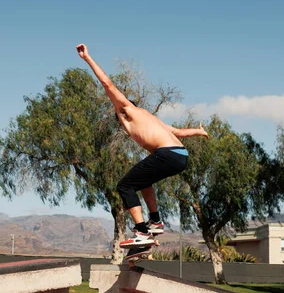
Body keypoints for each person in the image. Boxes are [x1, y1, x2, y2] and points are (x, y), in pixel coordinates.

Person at [76, 44, 209, 254]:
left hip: (168, 154)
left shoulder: (129, 109)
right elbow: (177, 132)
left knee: (125, 186)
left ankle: (142, 232)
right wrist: (199, 132)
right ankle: (155, 221)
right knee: (144, 181)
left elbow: (107, 84)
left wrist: (87, 58)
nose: (119, 120)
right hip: (180, 155)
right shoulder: (149, 116)